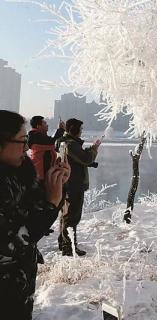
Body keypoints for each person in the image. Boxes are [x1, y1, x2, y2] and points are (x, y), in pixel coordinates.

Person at [0, 110, 70, 319]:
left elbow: (35, 207)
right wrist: (51, 203)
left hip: (19, 288)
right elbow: (12, 241)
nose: (27, 147)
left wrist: (57, 182)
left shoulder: (19, 173)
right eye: (22, 141)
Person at [56, 118, 101, 256]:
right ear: (73, 130)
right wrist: (94, 148)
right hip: (74, 185)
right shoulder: (70, 144)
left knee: (65, 215)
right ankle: (69, 248)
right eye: (80, 129)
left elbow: (78, 158)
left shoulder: (63, 142)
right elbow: (86, 159)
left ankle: (64, 244)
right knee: (72, 217)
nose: (81, 132)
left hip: (68, 184)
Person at [27, 116, 65, 181]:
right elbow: (52, 142)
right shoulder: (36, 136)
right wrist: (61, 129)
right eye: (44, 123)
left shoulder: (38, 136)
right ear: (38, 126)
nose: (47, 125)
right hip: (40, 173)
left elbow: (51, 141)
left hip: (42, 172)